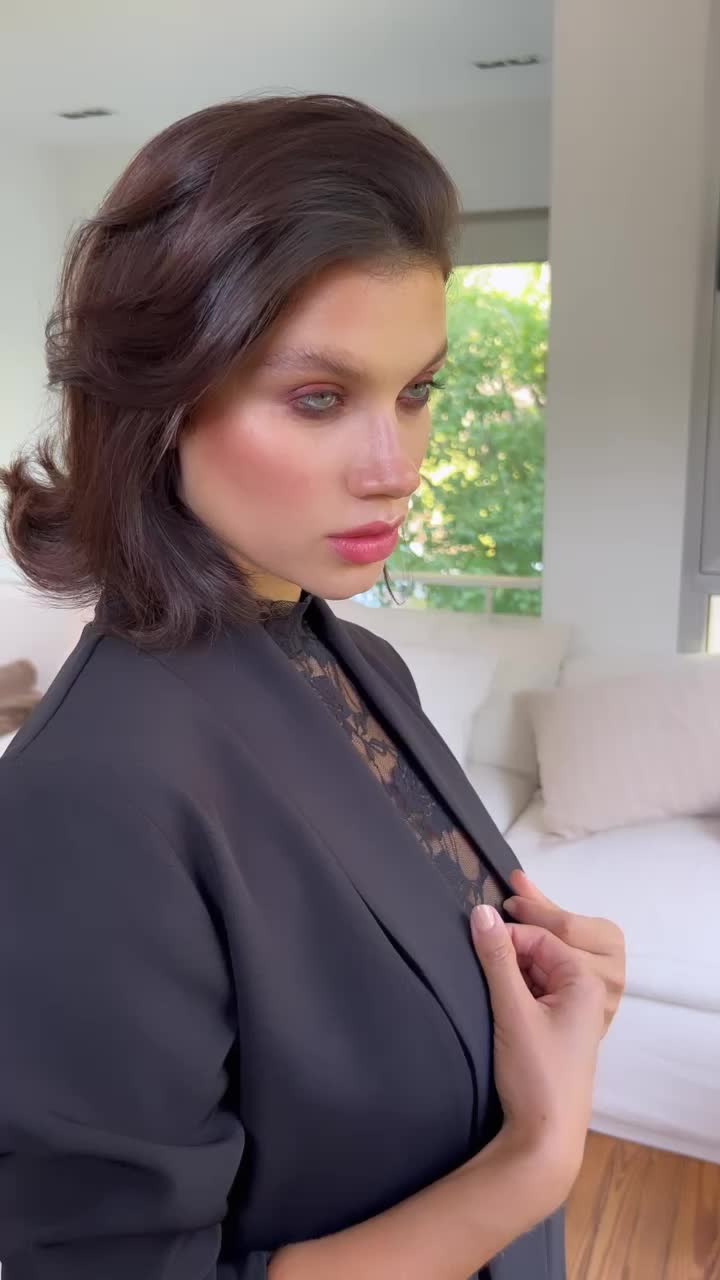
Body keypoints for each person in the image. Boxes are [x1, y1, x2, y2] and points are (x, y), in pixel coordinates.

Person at [0, 94, 625, 1280]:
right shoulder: (86, 798)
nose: (397, 468)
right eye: (319, 397)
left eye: (417, 389)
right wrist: (535, 1160)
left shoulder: (360, 664)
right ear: (156, 400)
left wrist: (566, 993)